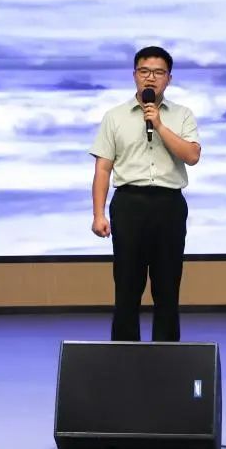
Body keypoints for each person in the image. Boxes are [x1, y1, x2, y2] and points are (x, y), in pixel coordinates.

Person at [89, 46, 201, 342]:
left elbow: (192, 156)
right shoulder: (115, 116)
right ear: (135, 75)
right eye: (145, 71)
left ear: (169, 79)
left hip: (169, 204)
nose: (151, 78)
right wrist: (98, 214)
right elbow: (103, 168)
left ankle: (167, 354)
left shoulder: (182, 115)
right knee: (127, 285)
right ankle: (124, 354)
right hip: (129, 204)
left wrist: (159, 125)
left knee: (167, 286)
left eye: (159, 72)